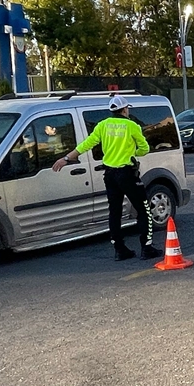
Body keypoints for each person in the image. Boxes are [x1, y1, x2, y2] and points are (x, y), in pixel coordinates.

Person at [52, 94, 160, 261]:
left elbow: (86, 144)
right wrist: (132, 153)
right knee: (143, 209)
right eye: (127, 108)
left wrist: (66, 158)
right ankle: (147, 247)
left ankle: (119, 249)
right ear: (124, 109)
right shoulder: (131, 126)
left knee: (114, 212)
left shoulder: (102, 125)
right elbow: (144, 149)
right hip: (127, 174)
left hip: (110, 175)